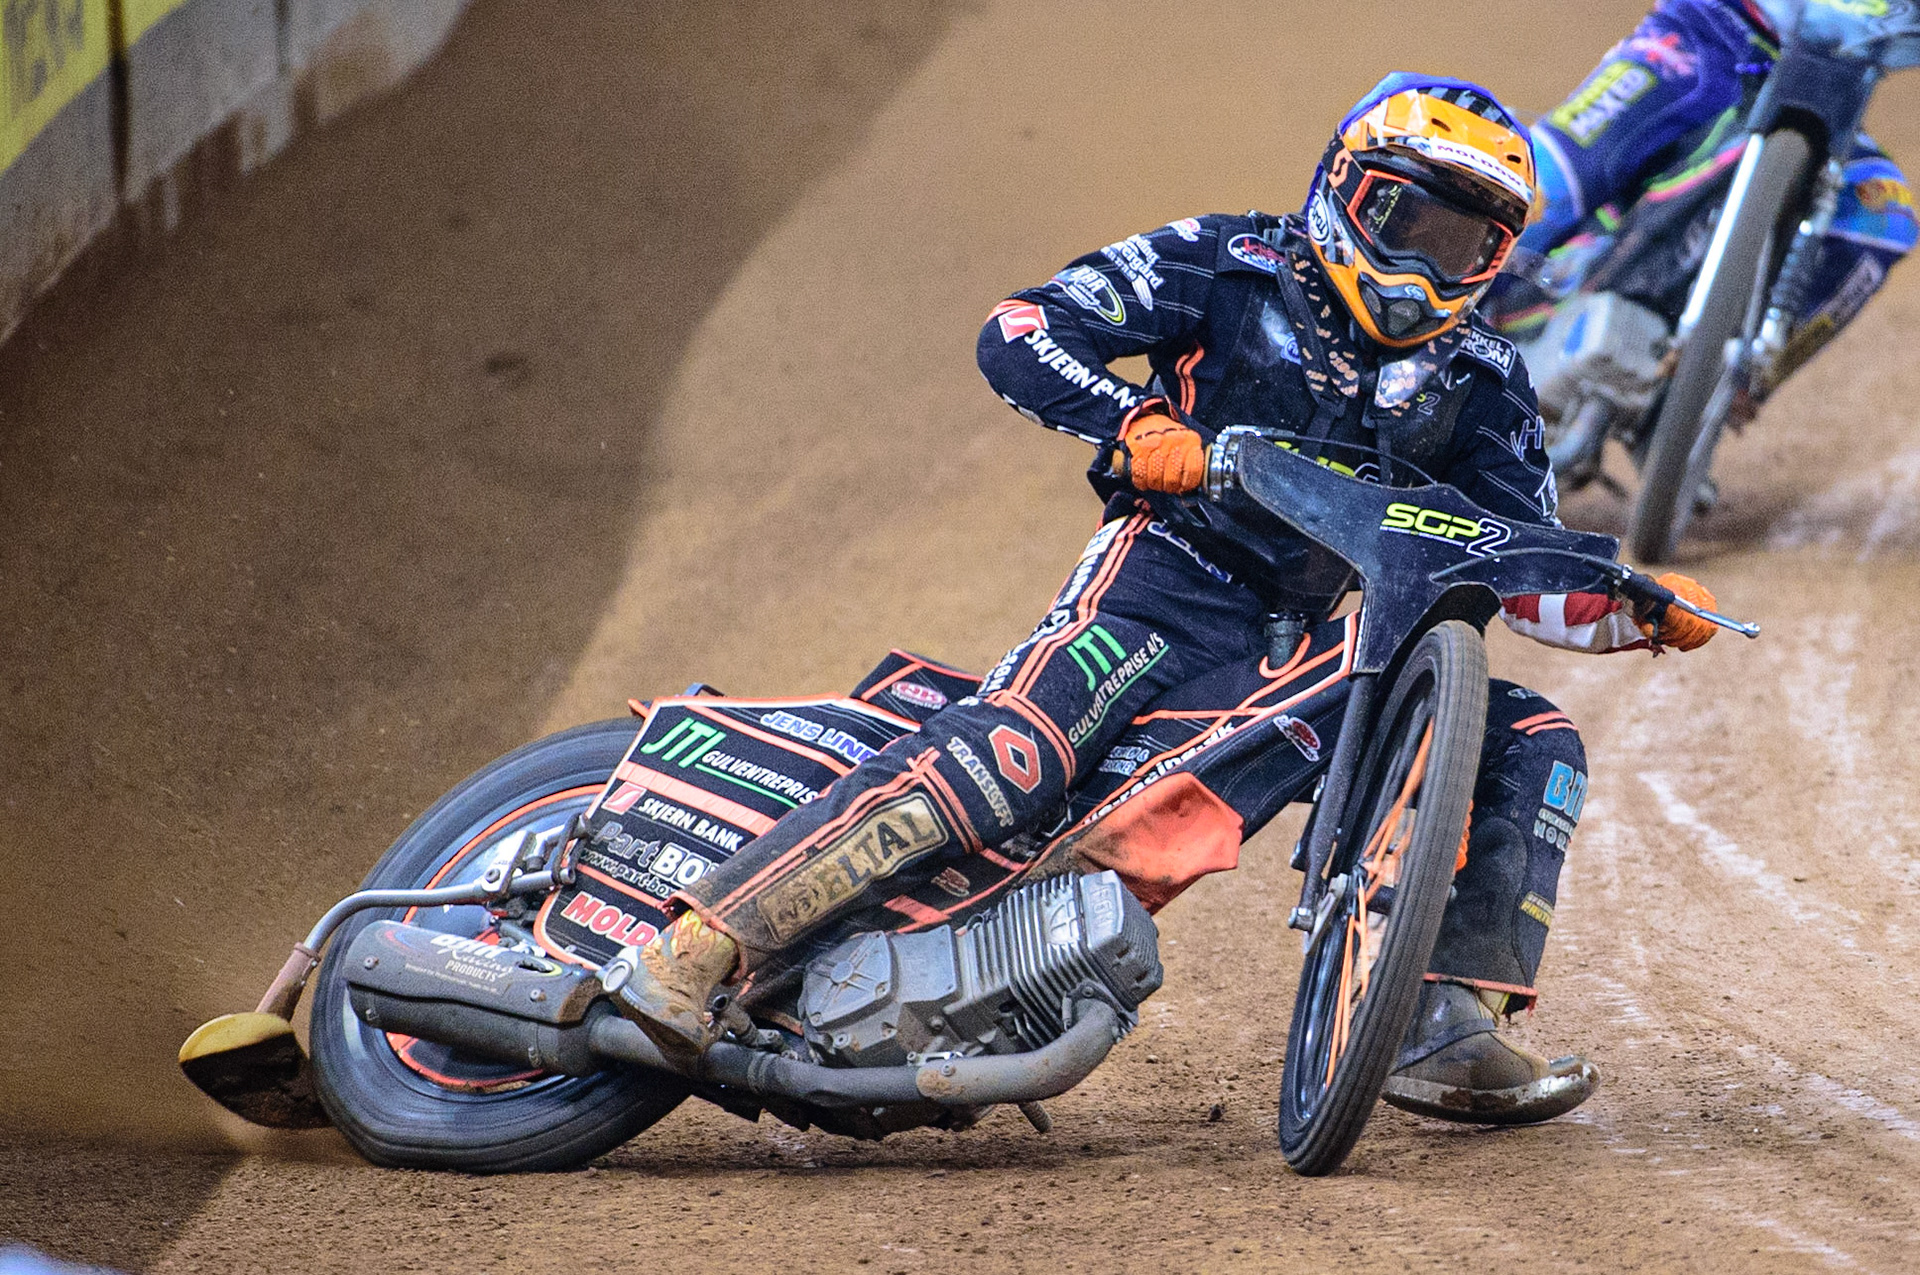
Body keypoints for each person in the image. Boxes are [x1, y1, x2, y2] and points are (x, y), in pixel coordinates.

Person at [605, 74, 1722, 1125]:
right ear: (1347, 190)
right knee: (1014, 759)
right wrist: (1132, 426)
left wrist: (1634, 604)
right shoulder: (1226, 264)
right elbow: (1022, 329)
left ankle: (1444, 1021)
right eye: (1409, 223)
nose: (1429, 264)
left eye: (1466, 242)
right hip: (1152, 589)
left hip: (1310, 650)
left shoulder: (1480, 379)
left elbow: (1519, 569)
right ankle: (701, 945)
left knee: (1533, 738)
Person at [1496, 0, 1915, 398]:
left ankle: (1715, 396)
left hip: (1827, 94)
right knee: (1541, 188)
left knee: (1884, 216)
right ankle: (1443, 318)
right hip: (1711, 33)